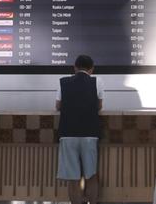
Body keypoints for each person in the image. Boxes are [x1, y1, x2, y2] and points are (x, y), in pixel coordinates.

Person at [56, 54, 103, 204]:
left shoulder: (63, 82)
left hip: (68, 133)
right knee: (91, 175)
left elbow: (58, 106)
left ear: (75, 68)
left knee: (73, 178)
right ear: (91, 69)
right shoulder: (97, 81)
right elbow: (99, 106)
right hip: (90, 133)